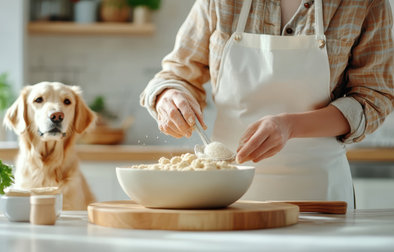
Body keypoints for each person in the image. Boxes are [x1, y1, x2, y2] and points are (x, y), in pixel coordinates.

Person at [140, 0, 394, 210]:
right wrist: (168, 96)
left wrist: (290, 126)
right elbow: (176, 74)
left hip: (318, 196)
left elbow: (373, 98)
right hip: (224, 198)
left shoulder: (364, 3)